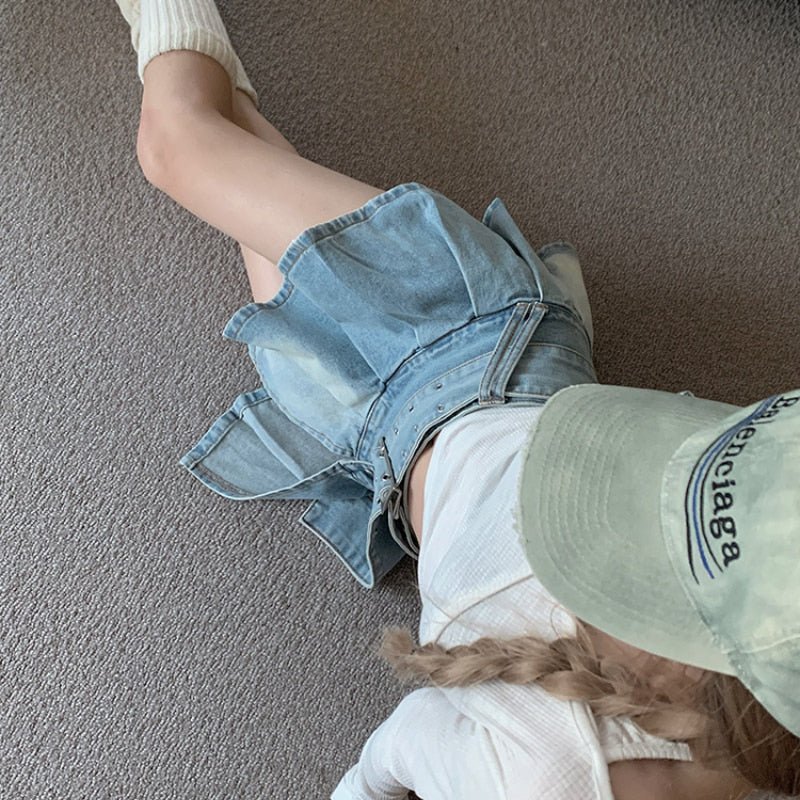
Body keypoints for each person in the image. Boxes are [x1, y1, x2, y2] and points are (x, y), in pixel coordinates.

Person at [112, 2, 800, 797]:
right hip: (467, 345)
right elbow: (386, 763)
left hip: (420, 408)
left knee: (243, 170)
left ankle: (230, 98)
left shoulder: (544, 773)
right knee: (177, 146)